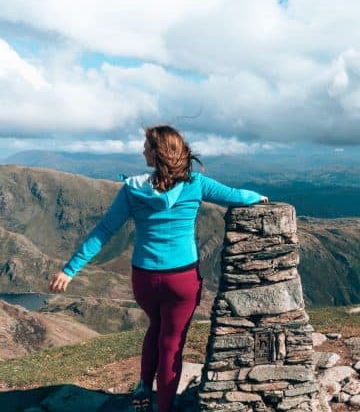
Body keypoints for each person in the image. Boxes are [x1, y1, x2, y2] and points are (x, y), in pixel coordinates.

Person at [48, 125, 267, 412]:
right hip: (183, 280)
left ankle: (143, 386)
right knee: (171, 343)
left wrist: (70, 270)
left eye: (146, 147)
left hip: (145, 280)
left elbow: (104, 230)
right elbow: (236, 196)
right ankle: (163, 407)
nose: (142, 151)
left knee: (156, 325)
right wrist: (257, 198)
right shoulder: (196, 183)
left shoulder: (132, 189)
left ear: (157, 152)